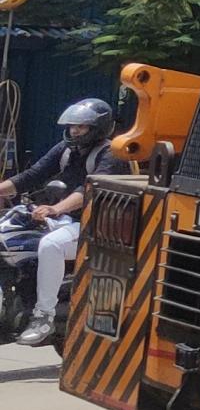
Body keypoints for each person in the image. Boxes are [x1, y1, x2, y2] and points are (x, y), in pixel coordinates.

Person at [6, 96, 127, 345]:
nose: (74, 131)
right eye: (72, 126)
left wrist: (55, 208)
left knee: (51, 245)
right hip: (63, 220)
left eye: (81, 127)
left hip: (94, 225)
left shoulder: (111, 154)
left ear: (97, 128)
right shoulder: (66, 150)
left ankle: (44, 316)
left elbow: (88, 190)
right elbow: (31, 175)